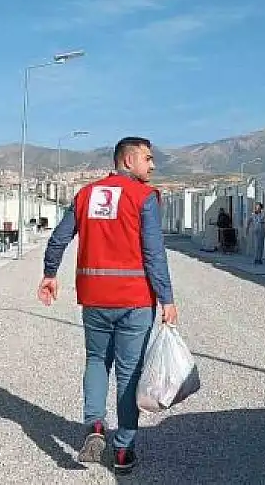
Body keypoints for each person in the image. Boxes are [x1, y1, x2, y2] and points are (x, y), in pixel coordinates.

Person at [38, 136, 178, 474]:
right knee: (129, 374)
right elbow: (153, 254)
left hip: (94, 299)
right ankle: (123, 451)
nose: (153, 165)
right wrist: (167, 298)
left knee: (97, 361)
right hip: (134, 301)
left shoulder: (86, 195)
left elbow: (59, 237)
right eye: (148, 158)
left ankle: (96, 426)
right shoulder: (144, 197)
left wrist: (49, 273)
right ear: (128, 160)